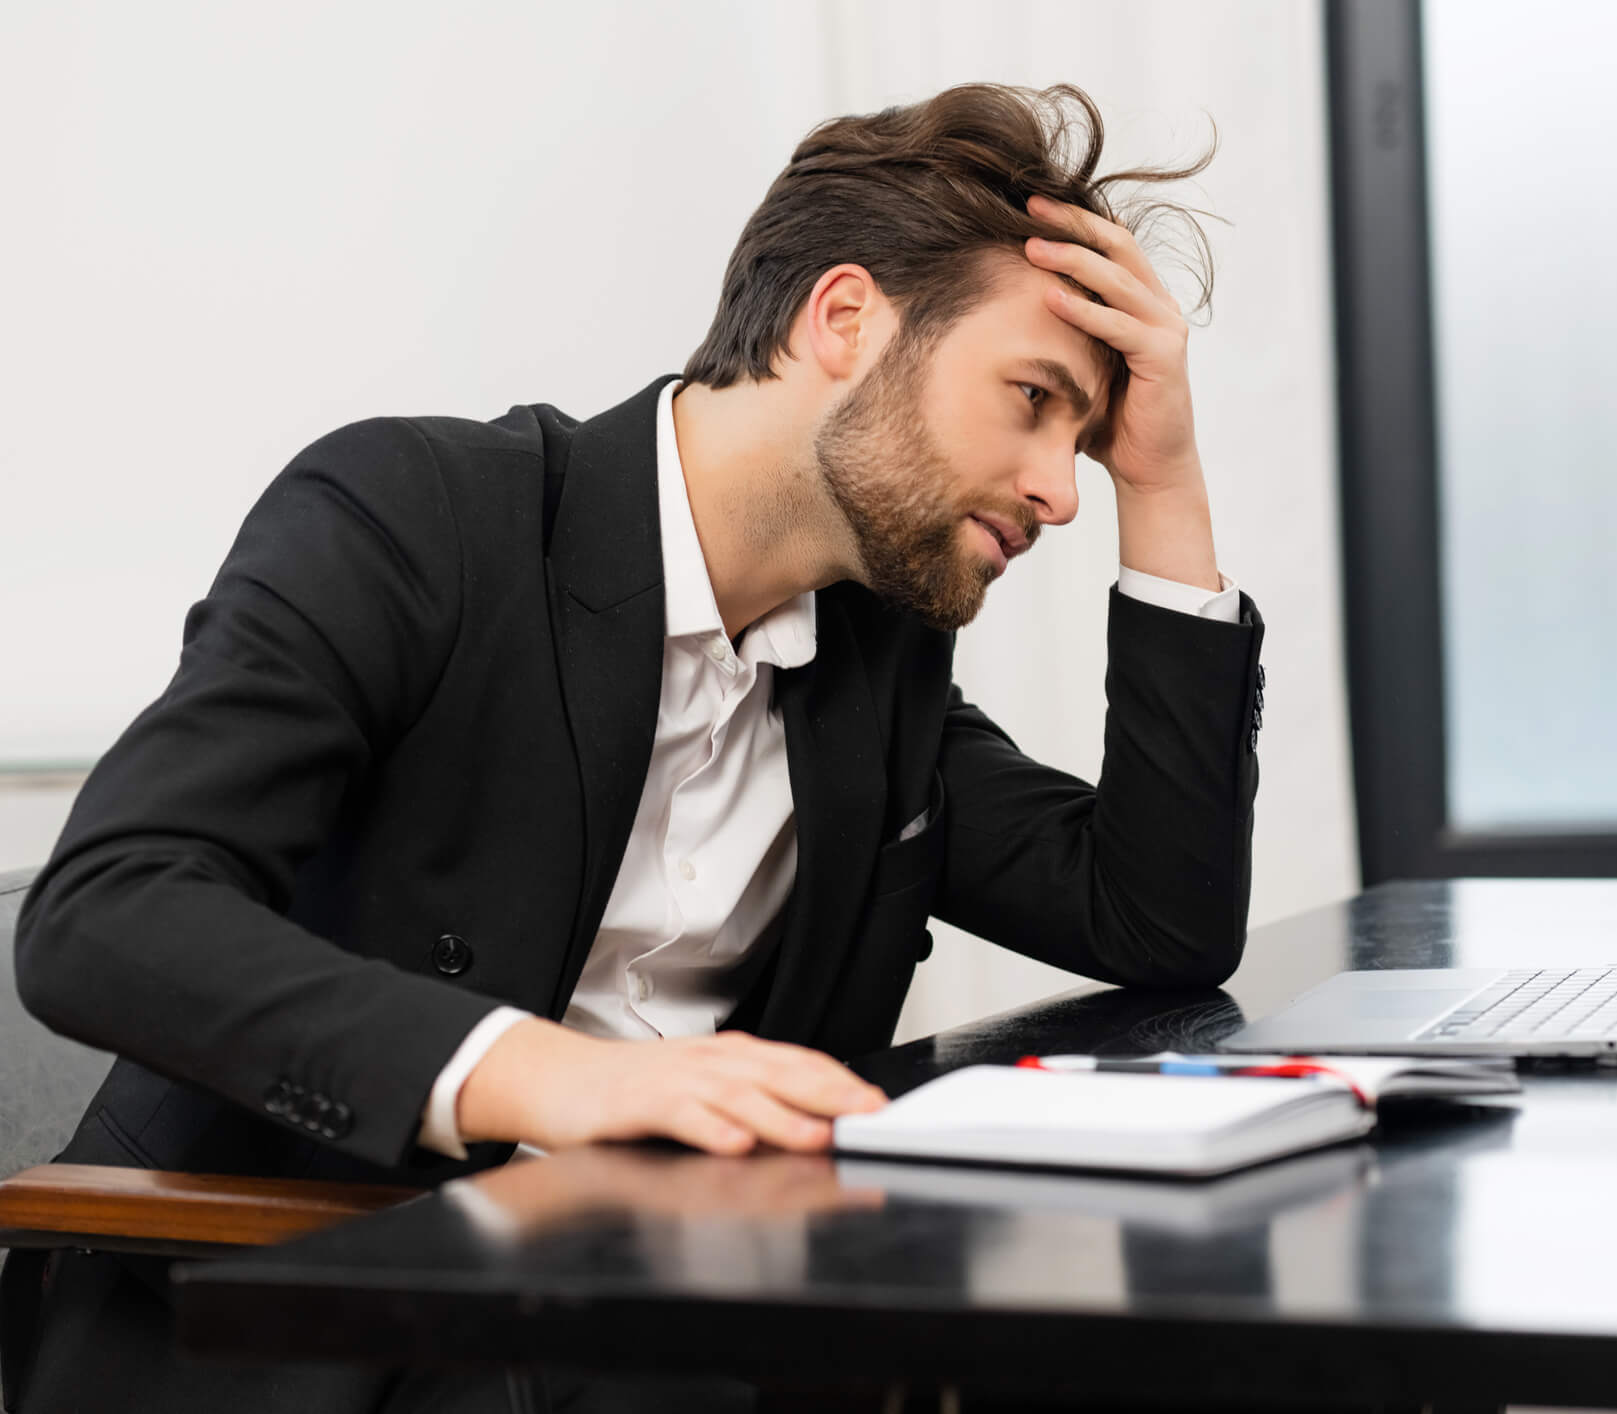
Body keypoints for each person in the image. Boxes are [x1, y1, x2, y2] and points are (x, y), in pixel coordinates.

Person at [4, 81, 1263, 1411]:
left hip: (653, 1342)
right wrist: (562, 1080)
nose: (1062, 493)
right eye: (1031, 399)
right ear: (844, 319)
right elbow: (108, 909)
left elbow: (1157, 921)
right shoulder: (418, 519)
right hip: (294, 1336)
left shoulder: (871, 665)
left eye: (1087, 445)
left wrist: (1165, 478)